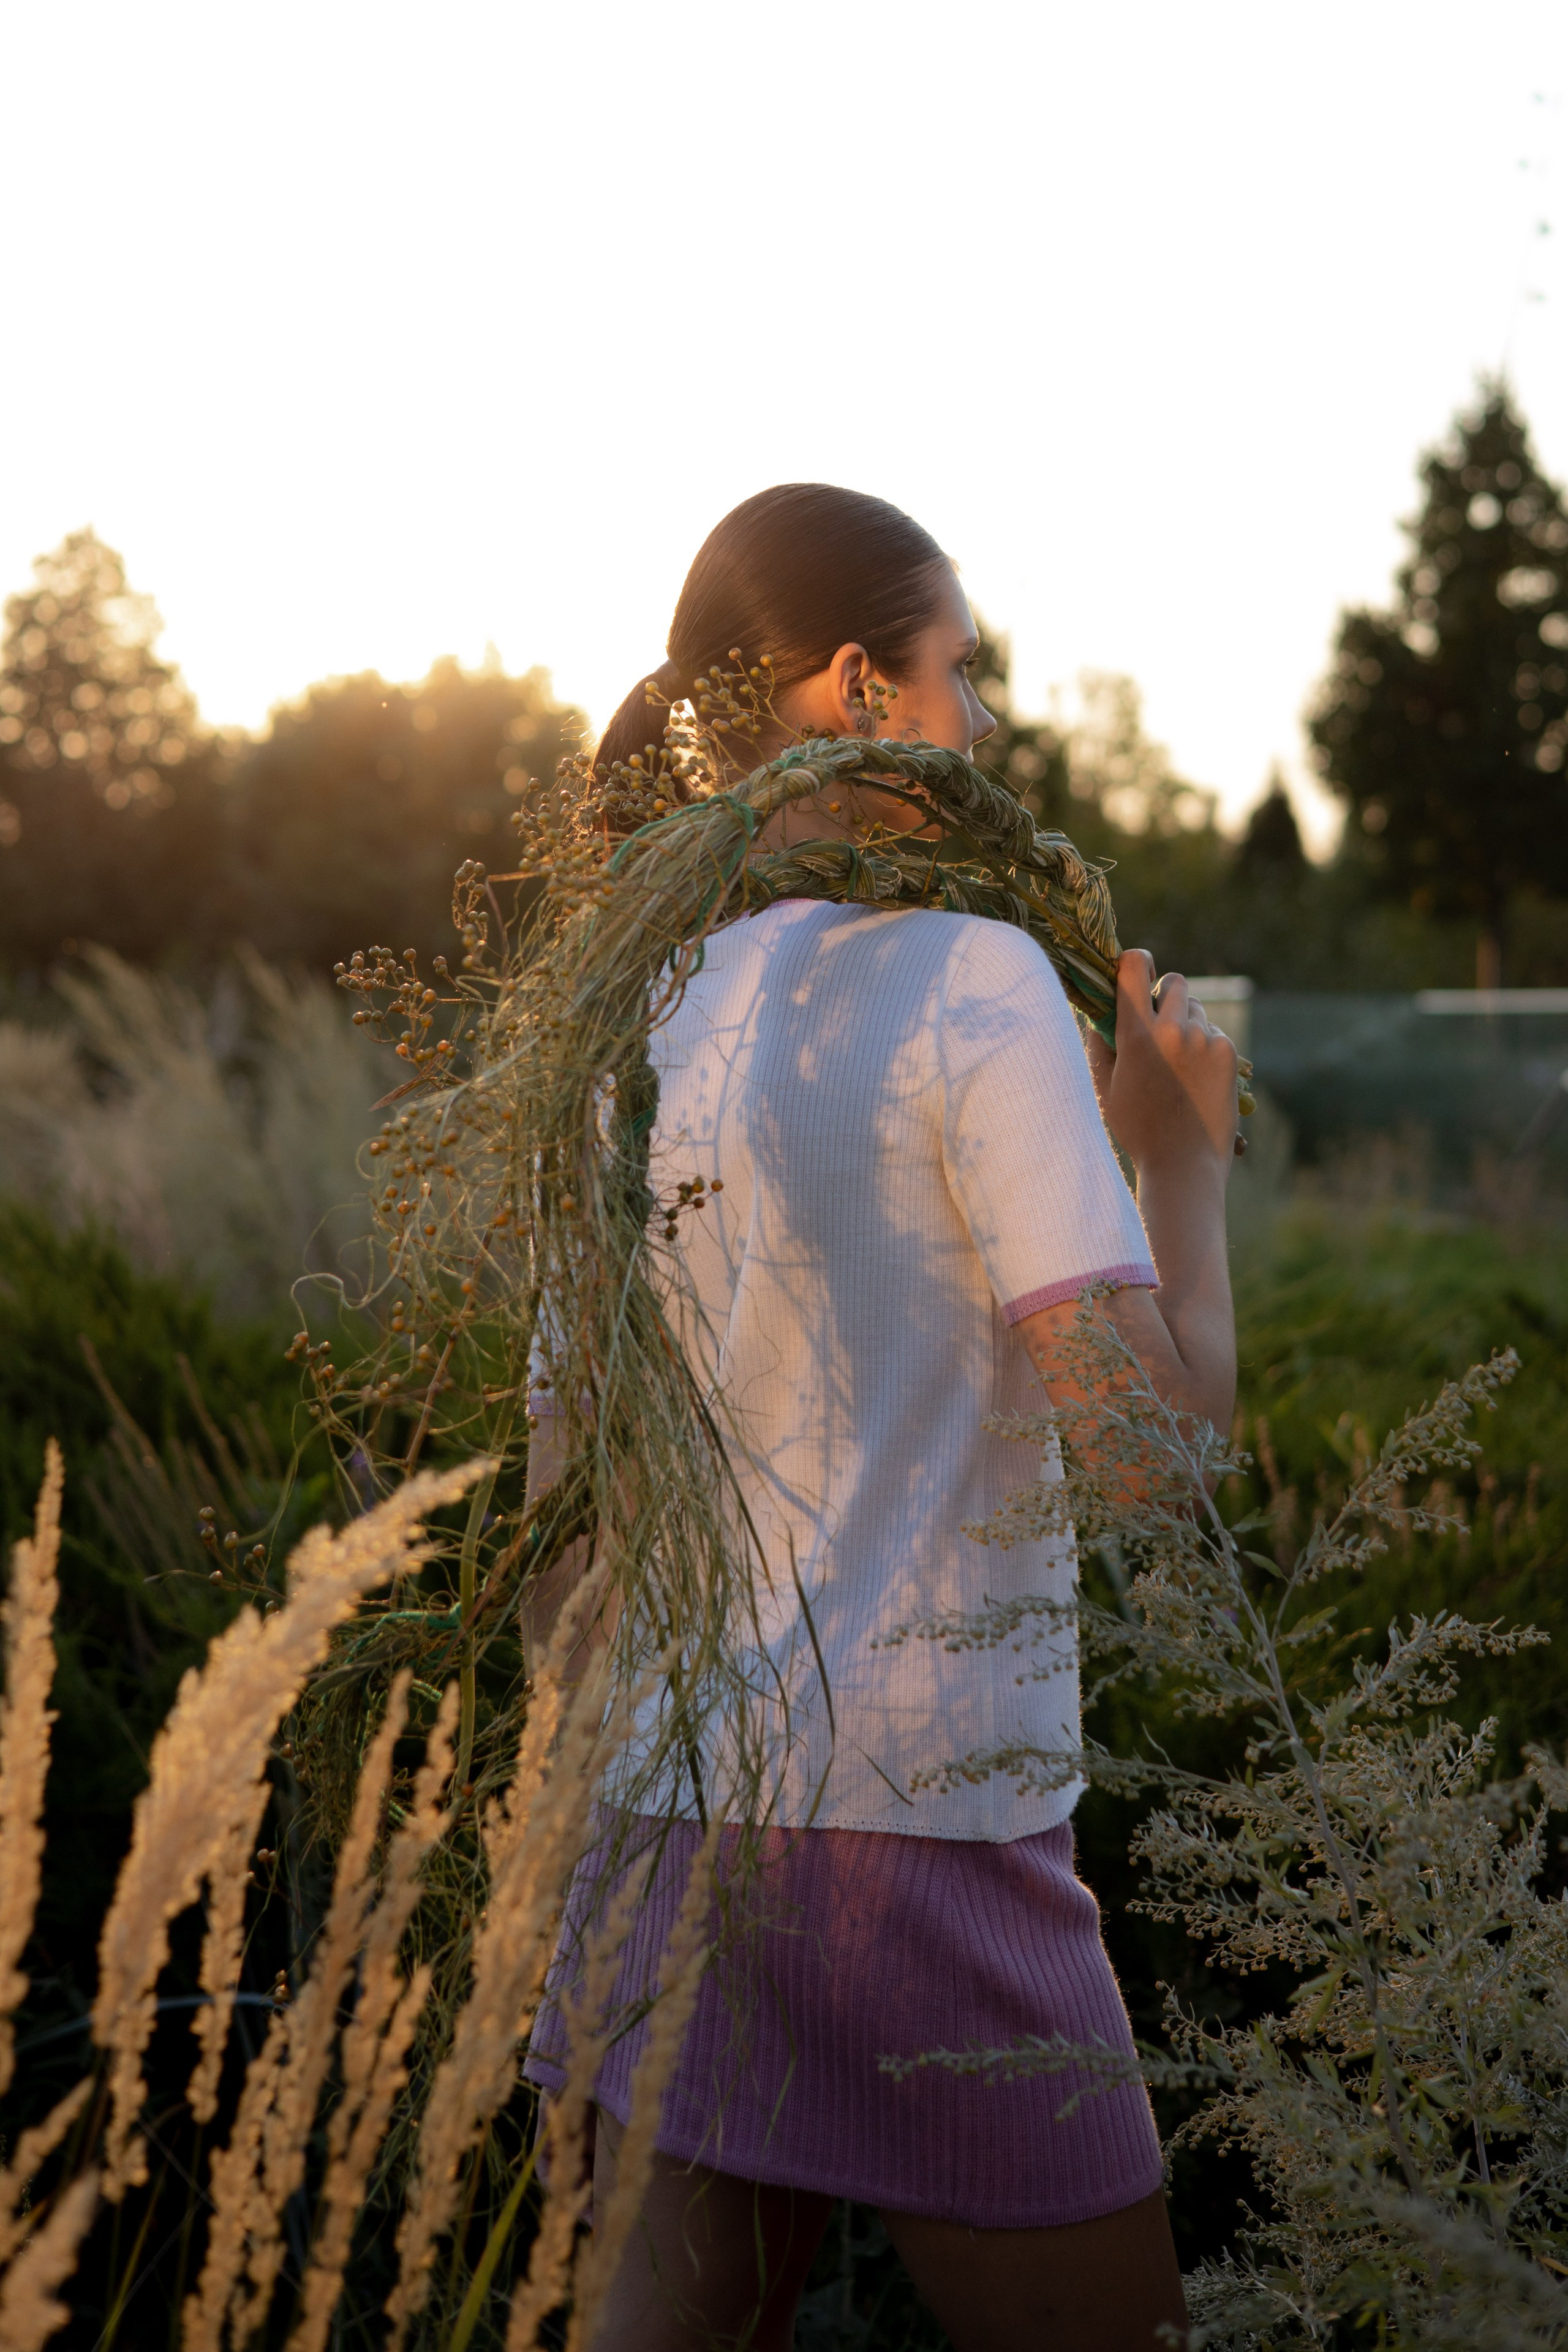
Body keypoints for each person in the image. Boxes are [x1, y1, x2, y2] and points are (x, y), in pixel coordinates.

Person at [523, 483, 1238, 2351]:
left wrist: (576, 1845)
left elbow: (557, 1514)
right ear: (857, 685)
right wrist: (1180, 1170)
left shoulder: (623, 1019)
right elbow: (1158, 1472)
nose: (988, 728)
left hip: (663, 1825)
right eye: (963, 673)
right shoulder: (980, 983)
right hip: (924, 1835)